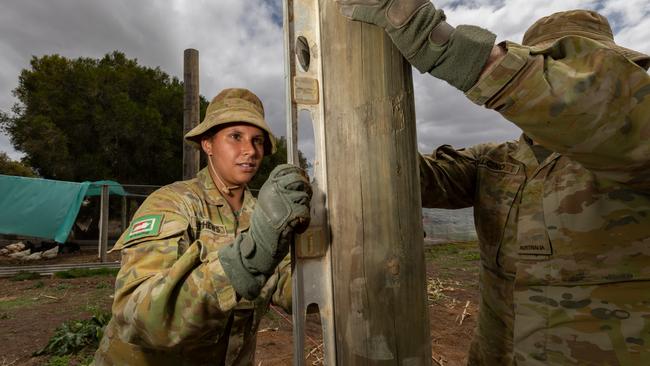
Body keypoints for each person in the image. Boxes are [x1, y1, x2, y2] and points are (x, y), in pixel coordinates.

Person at [335, 2, 650, 365]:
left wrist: (445, 46)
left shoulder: (631, 150)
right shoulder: (494, 161)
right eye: (562, 67)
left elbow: (614, 120)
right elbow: (409, 178)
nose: (571, 80)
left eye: (582, 72)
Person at [93, 88, 312, 365]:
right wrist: (248, 259)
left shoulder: (263, 214)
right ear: (207, 144)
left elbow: (288, 288)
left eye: (257, 140)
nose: (250, 150)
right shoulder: (173, 203)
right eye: (236, 137)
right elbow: (136, 317)